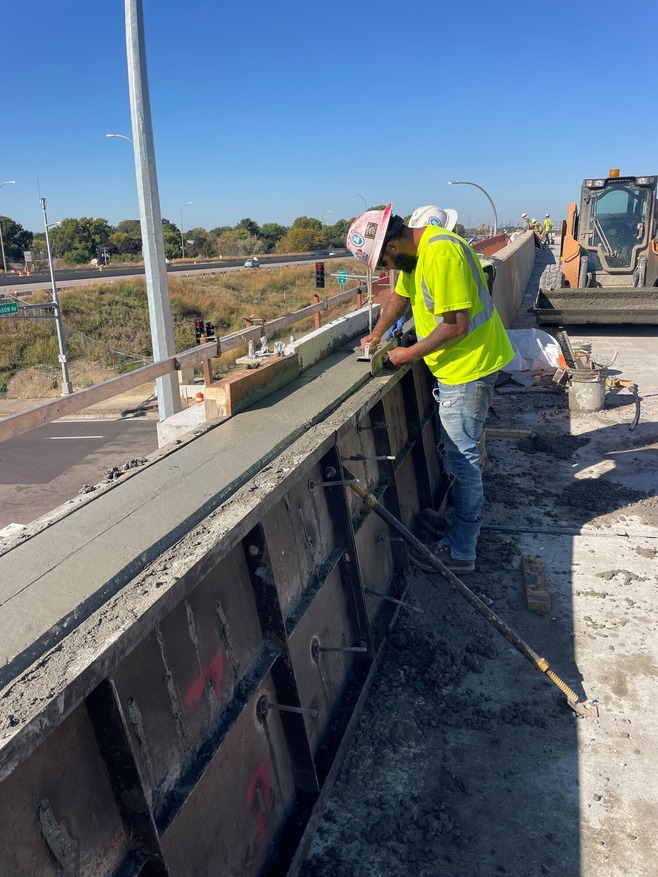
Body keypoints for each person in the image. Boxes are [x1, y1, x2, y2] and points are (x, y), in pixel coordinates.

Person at [347, 205, 514, 573]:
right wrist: (377, 334)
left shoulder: (440, 252)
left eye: (385, 263)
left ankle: (462, 552)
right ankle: (458, 526)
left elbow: (456, 325)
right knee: (458, 454)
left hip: (469, 368)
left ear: (392, 245)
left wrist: (410, 353)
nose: (389, 270)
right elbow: (400, 298)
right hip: (458, 367)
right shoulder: (417, 255)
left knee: (462, 461)